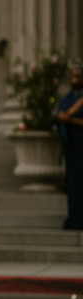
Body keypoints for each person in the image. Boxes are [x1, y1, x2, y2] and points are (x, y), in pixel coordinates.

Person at [56, 67, 83, 230]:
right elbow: (60, 113)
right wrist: (63, 117)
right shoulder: (69, 97)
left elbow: (68, 116)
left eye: (78, 76)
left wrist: (70, 119)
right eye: (72, 77)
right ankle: (74, 218)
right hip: (72, 146)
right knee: (73, 183)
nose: (74, 80)